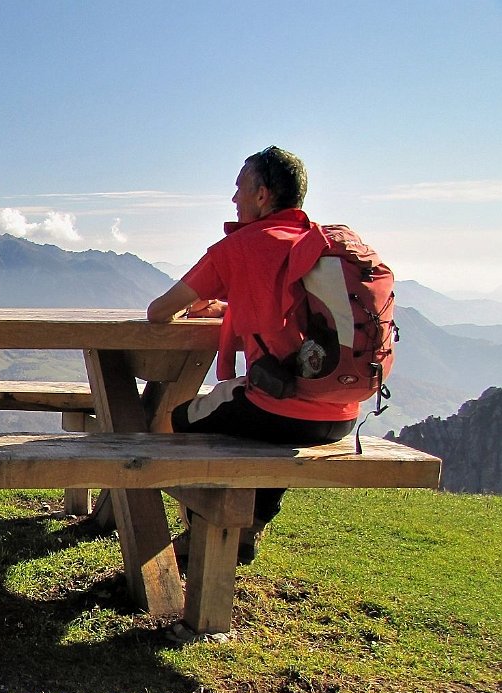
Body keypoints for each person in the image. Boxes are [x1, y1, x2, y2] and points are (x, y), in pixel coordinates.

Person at [146, 146, 358, 562]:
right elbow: (291, 312)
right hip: (342, 414)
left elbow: (158, 312)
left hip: (284, 414)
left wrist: (205, 303)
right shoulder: (317, 245)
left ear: (262, 195)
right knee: (267, 423)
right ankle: (252, 526)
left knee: (181, 418)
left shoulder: (241, 247)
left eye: (239, 187)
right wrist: (230, 308)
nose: (233, 198)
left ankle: (209, 533)